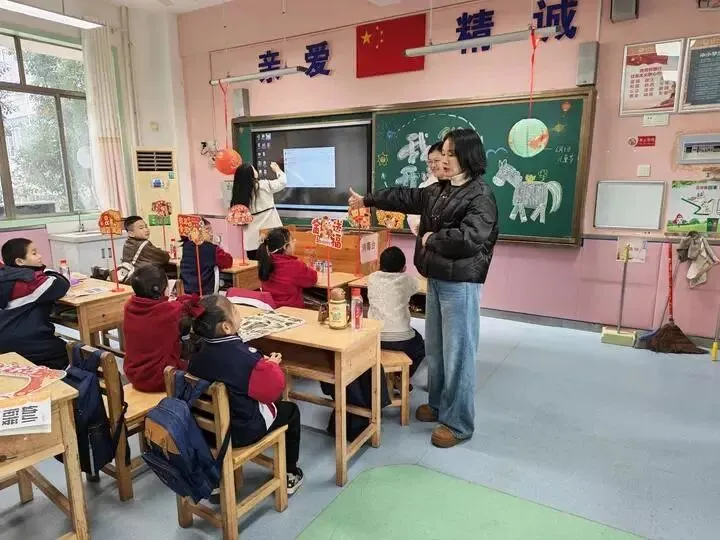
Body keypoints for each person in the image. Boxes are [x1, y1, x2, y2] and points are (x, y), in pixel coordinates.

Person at [348, 128, 498, 449]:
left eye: (450, 153)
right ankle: (440, 404)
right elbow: (404, 197)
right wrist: (367, 199)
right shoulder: (440, 189)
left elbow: (472, 238)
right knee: (437, 350)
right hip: (437, 278)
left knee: (458, 354)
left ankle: (458, 423)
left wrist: (433, 238)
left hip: (461, 282)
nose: (443, 159)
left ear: (467, 156)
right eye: (443, 152)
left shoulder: (480, 194)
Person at [187, 295, 304, 494]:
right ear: (226, 327)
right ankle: (289, 473)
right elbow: (272, 392)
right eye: (235, 311)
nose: (238, 313)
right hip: (238, 433)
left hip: (205, 432)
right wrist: (272, 367)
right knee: (290, 411)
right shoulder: (245, 358)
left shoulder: (195, 351)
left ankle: (214, 478)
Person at [123, 265, 200, 393]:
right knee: (199, 363)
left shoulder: (129, 306)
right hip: (161, 379)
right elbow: (189, 305)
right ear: (157, 289)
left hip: (134, 375)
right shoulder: (168, 311)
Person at [0, 238, 70, 369]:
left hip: (5, 339)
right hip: (23, 341)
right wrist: (45, 271)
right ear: (20, 261)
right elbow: (61, 284)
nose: (40, 256)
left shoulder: (6, 276)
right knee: (69, 351)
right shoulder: (29, 282)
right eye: (34, 253)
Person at [367, 246, 425, 387]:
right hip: (402, 341)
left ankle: (386, 376)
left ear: (379, 265)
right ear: (404, 268)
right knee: (421, 346)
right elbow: (418, 286)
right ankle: (400, 377)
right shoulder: (407, 280)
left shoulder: (371, 278)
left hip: (374, 338)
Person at [231, 162, 286, 261]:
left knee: (257, 269)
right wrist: (277, 170)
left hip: (251, 244)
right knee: (275, 267)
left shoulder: (238, 194)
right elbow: (282, 182)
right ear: (253, 174)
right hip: (271, 240)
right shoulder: (263, 185)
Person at [257, 227, 318, 308]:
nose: (295, 241)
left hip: (271, 309)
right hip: (292, 310)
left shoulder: (265, 261)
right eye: (292, 240)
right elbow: (312, 279)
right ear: (285, 247)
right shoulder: (295, 266)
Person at [180, 219, 233, 295]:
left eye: (211, 230)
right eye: (207, 230)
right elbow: (228, 261)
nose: (211, 234)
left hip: (188, 289)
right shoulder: (212, 249)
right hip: (206, 292)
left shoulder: (186, 246)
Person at [407, 141, 444, 236]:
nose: (433, 165)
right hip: (426, 240)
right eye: (430, 162)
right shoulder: (424, 186)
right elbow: (413, 217)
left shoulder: (459, 184)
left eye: (436, 161)